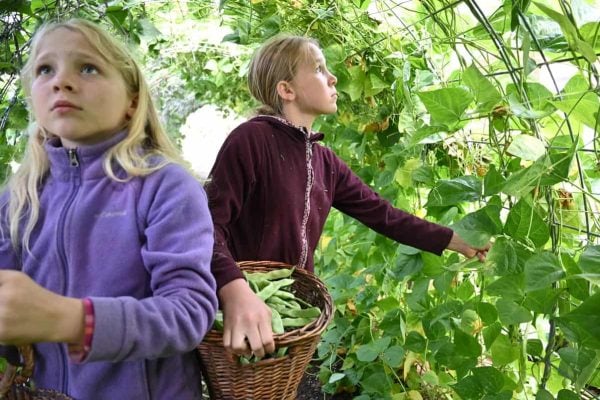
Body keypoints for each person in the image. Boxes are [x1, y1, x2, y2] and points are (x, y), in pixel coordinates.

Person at [206, 34, 490, 360]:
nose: (333, 77)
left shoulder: (325, 162)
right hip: (241, 314)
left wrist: (455, 239)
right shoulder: (251, 140)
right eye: (318, 68)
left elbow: (383, 214)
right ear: (287, 90)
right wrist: (234, 287)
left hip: (293, 318)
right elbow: (208, 226)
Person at [0, 19, 217, 399]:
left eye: (88, 67)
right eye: (44, 69)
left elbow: (189, 313)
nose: (61, 81)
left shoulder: (165, 187)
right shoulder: (17, 199)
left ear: (132, 101)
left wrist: (75, 321)